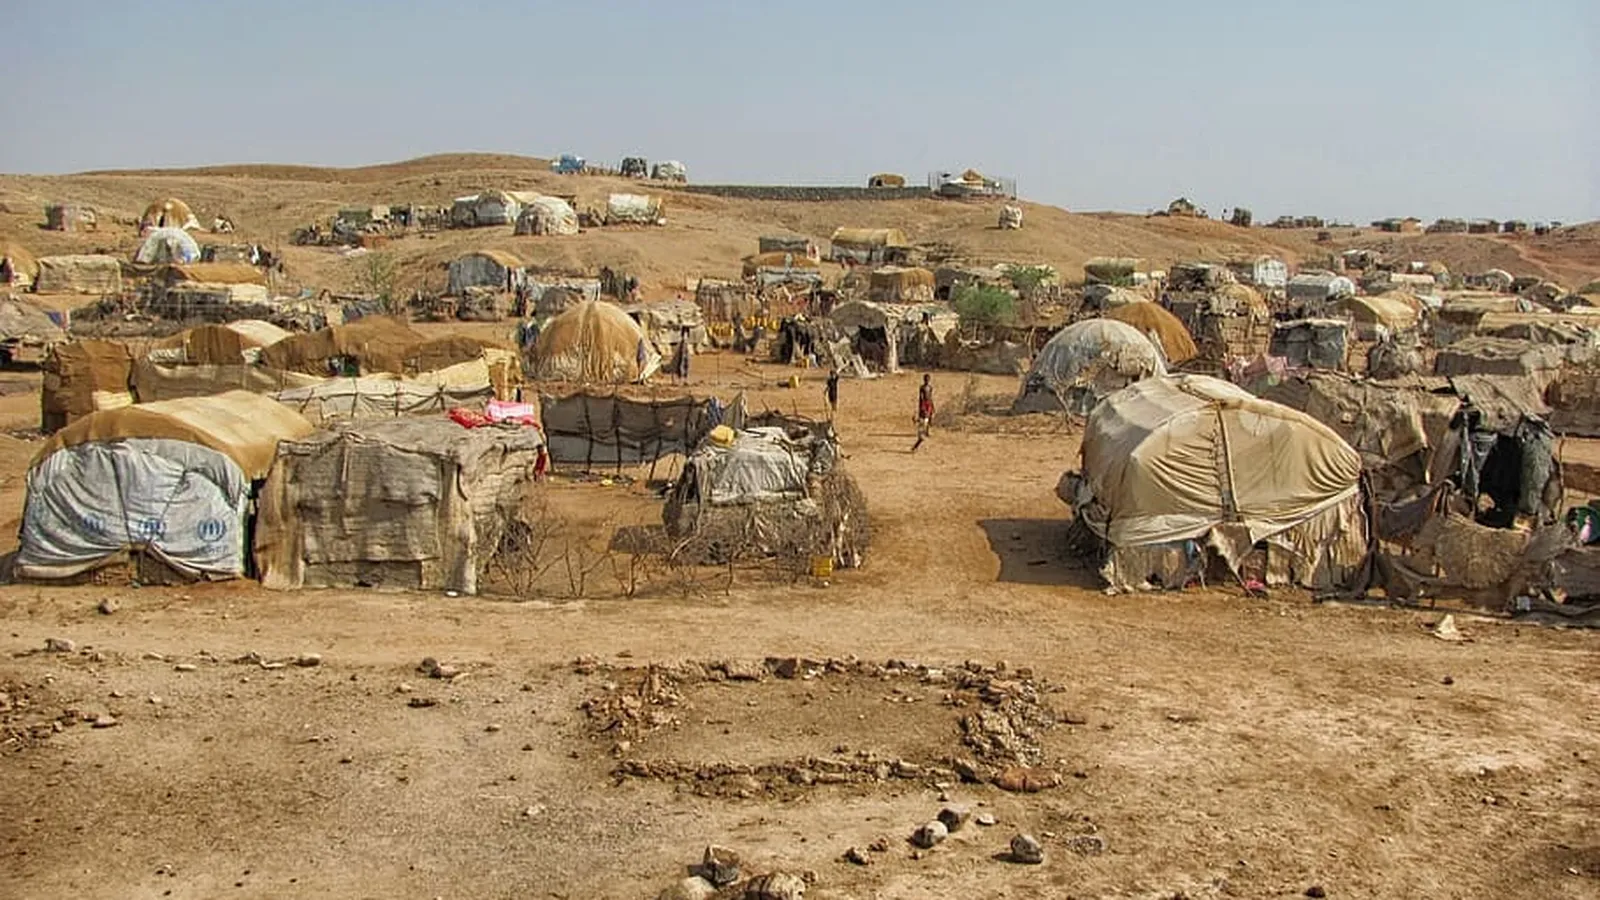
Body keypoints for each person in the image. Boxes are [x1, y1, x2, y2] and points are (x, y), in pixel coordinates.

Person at [912, 374, 934, 452]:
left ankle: (926, 431)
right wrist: (922, 406)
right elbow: (921, 398)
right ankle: (922, 432)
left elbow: (931, 397)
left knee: (929, 417)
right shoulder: (922, 388)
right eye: (926, 379)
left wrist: (932, 405)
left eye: (928, 379)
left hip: (928, 403)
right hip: (924, 404)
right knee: (923, 419)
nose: (927, 381)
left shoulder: (930, 387)